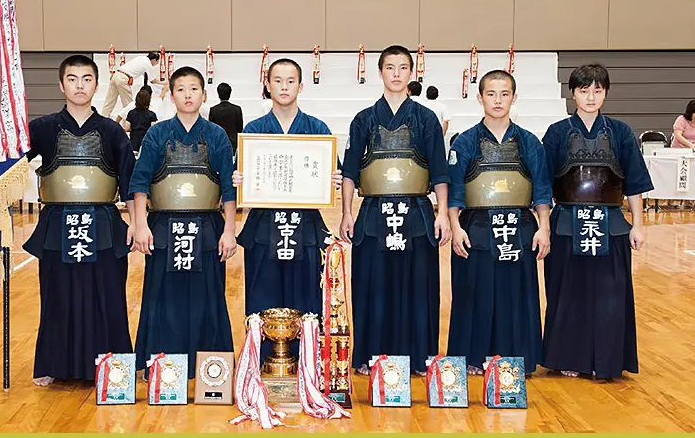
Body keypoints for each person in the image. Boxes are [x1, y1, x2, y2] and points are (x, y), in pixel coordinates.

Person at [21, 55, 136, 386]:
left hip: (103, 223)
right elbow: (11, 162)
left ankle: (114, 367)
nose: (80, 85)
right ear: (61, 85)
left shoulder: (112, 131)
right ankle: (55, 364)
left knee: (109, 296)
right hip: (58, 223)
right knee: (58, 296)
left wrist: (138, 223)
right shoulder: (43, 128)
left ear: (96, 85)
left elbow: (128, 182)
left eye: (86, 79)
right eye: (72, 79)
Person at [339, 45, 451, 377]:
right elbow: (350, 172)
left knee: (418, 286)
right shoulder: (364, 119)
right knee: (373, 285)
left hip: (416, 212)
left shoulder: (425, 118)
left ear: (412, 73)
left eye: (403, 67)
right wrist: (346, 212)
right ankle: (370, 354)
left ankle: (419, 357)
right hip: (373, 212)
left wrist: (442, 213)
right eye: (390, 67)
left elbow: (440, 172)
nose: (397, 73)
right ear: (380, 72)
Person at [541, 63, 653, 380]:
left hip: (611, 224)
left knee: (610, 296)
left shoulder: (620, 132)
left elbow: (634, 182)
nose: (591, 97)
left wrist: (639, 224)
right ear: (573, 93)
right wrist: (544, 225)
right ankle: (568, 358)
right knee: (567, 294)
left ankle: (606, 360)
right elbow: (543, 185)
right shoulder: (558, 133)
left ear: (605, 93)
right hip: (567, 224)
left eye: (597, 90)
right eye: (584, 90)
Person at [231, 59, 343, 363]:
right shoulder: (254, 131)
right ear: (267, 85)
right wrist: (238, 179)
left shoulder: (317, 129)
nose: (284, 86)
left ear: (300, 86)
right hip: (264, 227)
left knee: (305, 293)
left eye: (290, 81)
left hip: (304, 225)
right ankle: (262, 356)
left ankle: (306, 360)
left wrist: (333, 178)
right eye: (277, 80)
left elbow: (334, 172)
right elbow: (239, 174)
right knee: (262, 291)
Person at [130, 66, 237, 378]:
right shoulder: (157, 133)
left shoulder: (216, 135)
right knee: (162, 297)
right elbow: (140, 183)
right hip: (163, 227)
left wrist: (229, 230)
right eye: (181, 89)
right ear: (172, 95)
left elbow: (228, 188)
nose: (188, 95)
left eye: (194, 89)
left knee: (208, 297)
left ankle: (211, 369)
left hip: (207, 228)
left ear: (204, 95)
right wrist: (140, 225)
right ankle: (162, 365)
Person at [446, 70, 551, 376]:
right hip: (476, 226)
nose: (497, 100)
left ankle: (518, 357)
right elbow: (454, 191)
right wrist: (456, 226)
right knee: (474, 292)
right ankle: (473, 357)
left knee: (515, 293)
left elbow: (542, 188)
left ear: (514, 98)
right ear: (480, 98)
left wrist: (543, 227)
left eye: (504, 94)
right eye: (491, 94)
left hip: (519, 226)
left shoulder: (529, 141)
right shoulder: (465, 141)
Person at [102, 52, 163, 119]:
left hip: (116, 75)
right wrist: (164, 83)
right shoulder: (148, 63)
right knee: (128, 104)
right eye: (157, 62)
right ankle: (128, 124)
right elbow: (152, 80)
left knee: (110, 100)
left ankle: (103, 118)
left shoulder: (140, 58)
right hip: (123, 79)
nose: (156, 64)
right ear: (154, 60)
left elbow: (145, 75)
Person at [117, 88, 158, 152]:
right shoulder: (151, 114)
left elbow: (126, 128)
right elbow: (153, 130)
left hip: (134, 142)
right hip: (146, 142)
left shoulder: (131, 113)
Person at [209, 82, 245, 153]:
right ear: (230, 94)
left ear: (218, 94)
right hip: (233, 144)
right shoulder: (237, 109)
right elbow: (240, 128)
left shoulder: (213, 110)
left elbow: (211, 130)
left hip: (218, 143)